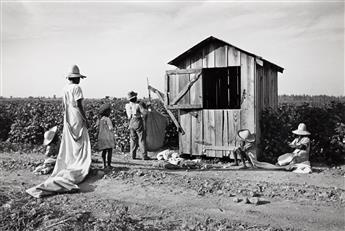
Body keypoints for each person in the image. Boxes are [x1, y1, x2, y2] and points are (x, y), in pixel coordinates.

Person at [27, 65, 92, 198]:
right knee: (80, 140)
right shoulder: (77, 88)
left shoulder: (65, 88)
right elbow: (79, 105)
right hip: (76, 115)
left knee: (70, 140)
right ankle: (79, 162)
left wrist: (66, 117)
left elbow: (64, 105)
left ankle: (72, 161)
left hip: (68, 115)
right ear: (77, 78)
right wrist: (85, 118)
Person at [125, 91, 150, 160]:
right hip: (138, 121)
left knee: (133, 139)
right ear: (135, 98)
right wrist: (147, 108)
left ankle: (132, 155)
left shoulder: (127, 105)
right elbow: (144, 113)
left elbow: (129, 115)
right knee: (141, 139)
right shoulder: (138, 105)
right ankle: (144, 156)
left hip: (131, 122)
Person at [96, 103, 115, 169]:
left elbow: (97, 127)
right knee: (109, 150)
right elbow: (111, 128)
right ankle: (109, 164)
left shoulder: (100, 119)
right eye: (109, 111)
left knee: (104, 151)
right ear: (106, 112)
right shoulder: (107, 119)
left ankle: (104, 164)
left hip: (101, 137)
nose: (110, 113)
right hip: (108, 137)